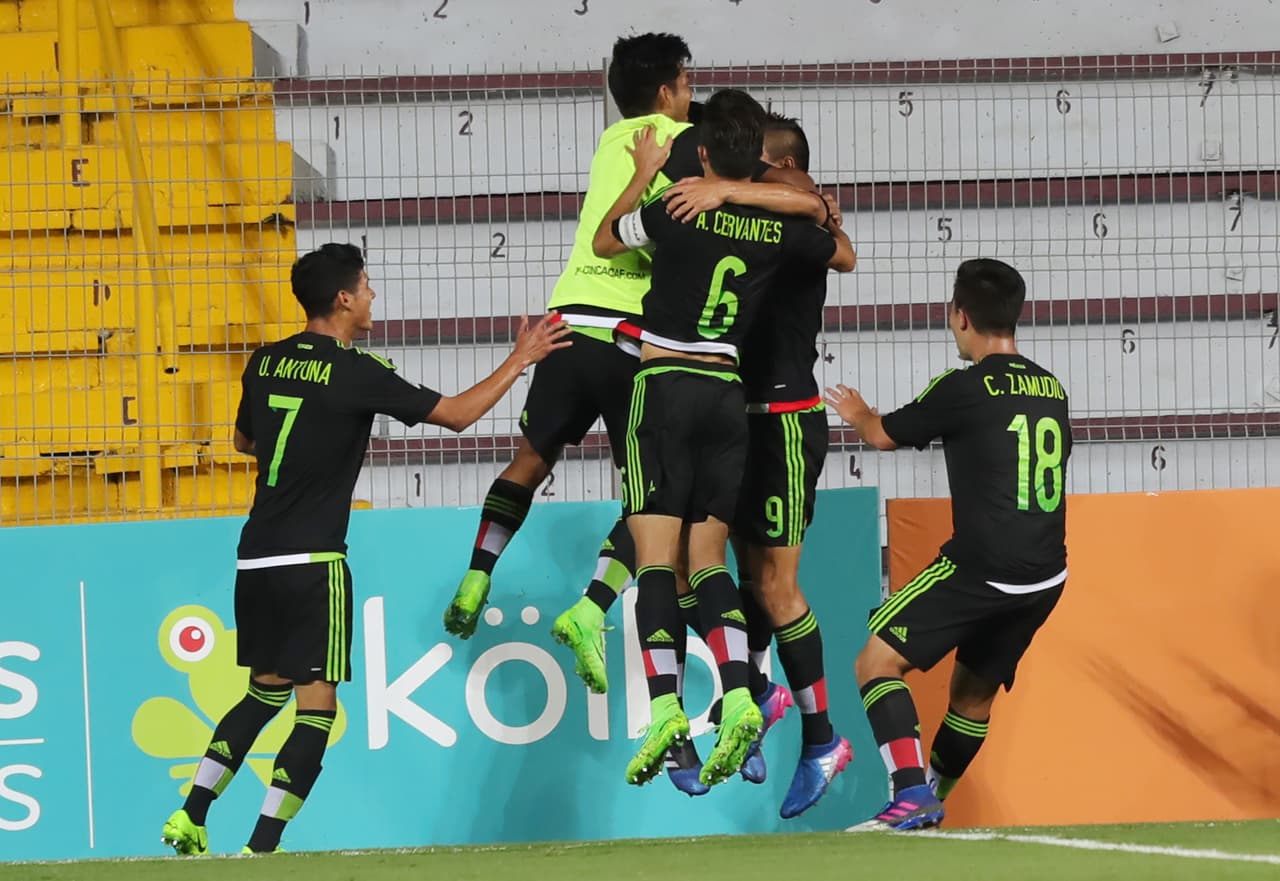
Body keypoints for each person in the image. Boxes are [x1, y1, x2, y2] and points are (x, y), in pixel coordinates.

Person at [444, 33, 835, 702]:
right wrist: (777, 189)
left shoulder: (613, 139)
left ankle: (480, 568)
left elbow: (606, 233)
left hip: (569, 318)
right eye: (686, 84)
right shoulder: (686, 145)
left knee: (531, 460)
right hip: (639, 342)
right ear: (668, 92)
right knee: (658, 511)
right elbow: (797, 199)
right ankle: (603, 615)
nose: (691, 94)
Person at [160, 243, 570, 855]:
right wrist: (520, 358)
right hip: (313, 561)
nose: (373, 296)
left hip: (256, 555)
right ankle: (262, 849)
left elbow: (244, 441)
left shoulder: (265, 361)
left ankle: (191, 814)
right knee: (317, 709)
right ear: (344, 298)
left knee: (263, 691)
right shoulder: (357, 372)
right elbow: (457, 415)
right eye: (367, 286)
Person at [594, 89, 856, 788]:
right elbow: (827, 233)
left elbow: (606, 239)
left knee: (752, 581)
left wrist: (674, 179)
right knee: (707, 568)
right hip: (731, 400)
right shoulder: (773, 223)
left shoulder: (710, 205)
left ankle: (802, 733)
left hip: (765, 411)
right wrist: (740, 194)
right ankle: (747, 696)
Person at [824, 258, 1071, 831]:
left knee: (875, 662)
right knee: (972, 698)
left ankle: (910, 794)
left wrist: (858, 413)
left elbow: (883, 435)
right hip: (1044, 575)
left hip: (984, 568)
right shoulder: (1052, 388)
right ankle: (930, 800)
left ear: (961, 316)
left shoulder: (963, 386)